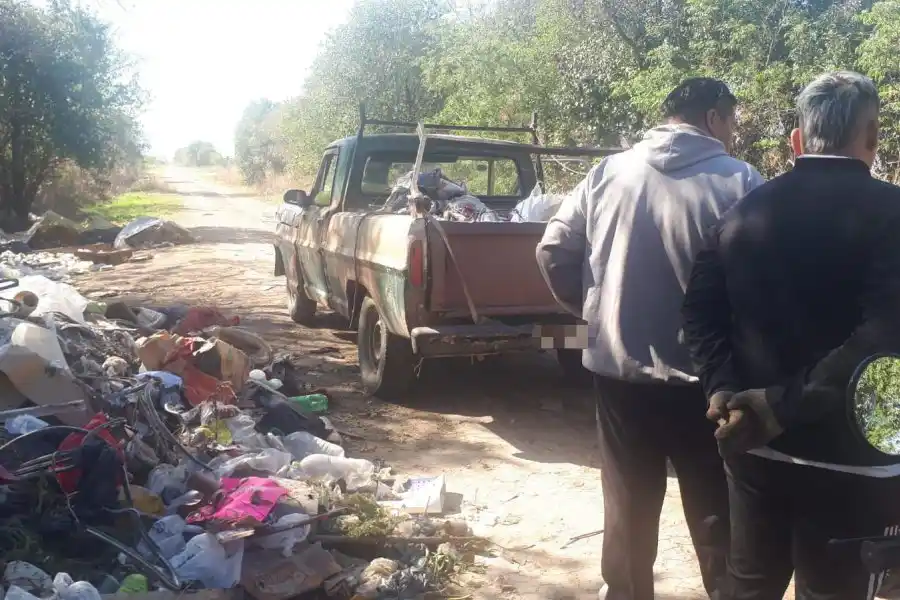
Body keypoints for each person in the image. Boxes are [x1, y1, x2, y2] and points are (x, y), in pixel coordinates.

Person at [537, 77, 764, 599]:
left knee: (628, 507)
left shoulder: (607, 173)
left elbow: (552, 251)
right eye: (731, 121)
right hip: (706, 384)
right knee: (714, 511)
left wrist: (593, 311)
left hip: (620, 374)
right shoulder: (740, 182)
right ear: (713, 118)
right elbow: (759, 282)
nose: (732, 133)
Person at [682, 71, 900, 600]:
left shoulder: (745, 211)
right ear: (871, 136)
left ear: (800, 139)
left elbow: (699, 311)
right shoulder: (892, 214)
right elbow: (883, 336)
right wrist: (783, 403)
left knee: (750, 588)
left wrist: (722, 388)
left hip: (755, 448)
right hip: (854, 458)